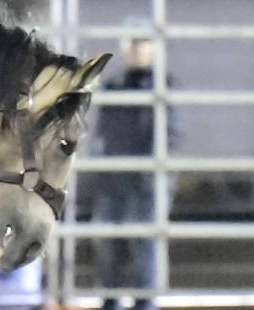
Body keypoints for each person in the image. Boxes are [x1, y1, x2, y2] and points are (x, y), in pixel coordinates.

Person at [89, 33, 179, 310]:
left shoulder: (165, 86)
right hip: (115, 177)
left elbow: (169, 134)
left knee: (144, 243)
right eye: (134, 45)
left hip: (147, 178)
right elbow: (103, 131)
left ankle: (145, 301)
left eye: (144, 44)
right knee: (108, 241)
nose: (138, 50)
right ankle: (112, 298)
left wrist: (154, 171)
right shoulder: (114, 85)